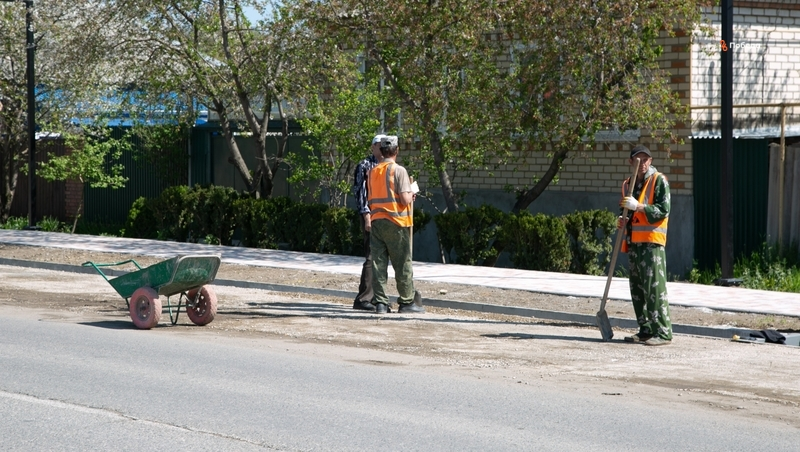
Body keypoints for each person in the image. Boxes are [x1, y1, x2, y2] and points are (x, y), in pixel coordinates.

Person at [618, 145, 673, 346]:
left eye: (646, 159)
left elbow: (663, 209)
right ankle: (646, 329)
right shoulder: (628, 184)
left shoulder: (659, 180)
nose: (642, 163)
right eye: (638, 159)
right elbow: (629, 213)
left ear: (650, 161)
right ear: (630, 162)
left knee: (654, 288)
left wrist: (639, 206)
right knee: (638, 288)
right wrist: (623, 220)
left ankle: (663, 332)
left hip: (651, 243)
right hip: (633, 243)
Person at [367, 135, 424, 314]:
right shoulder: (398, 171)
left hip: (377, 221)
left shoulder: (372, 171)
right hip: (396, 222)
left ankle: (381, 303)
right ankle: (407, 302)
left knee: (378, 263)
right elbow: (406, 198)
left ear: (382, 151)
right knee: (402, 263)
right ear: (396, 151)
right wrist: (411, 194)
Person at [351, 134, 385, 311]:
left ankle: (377, 297)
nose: (382, 148)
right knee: (371, 256)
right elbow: (361, 193)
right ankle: (363, 298)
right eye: (380, 145)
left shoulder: (387, 166)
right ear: (373, 147)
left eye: (385, 145)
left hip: (386, 217)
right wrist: (366, 216)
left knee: (381, 257)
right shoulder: (365, 165)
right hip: (372, 215)